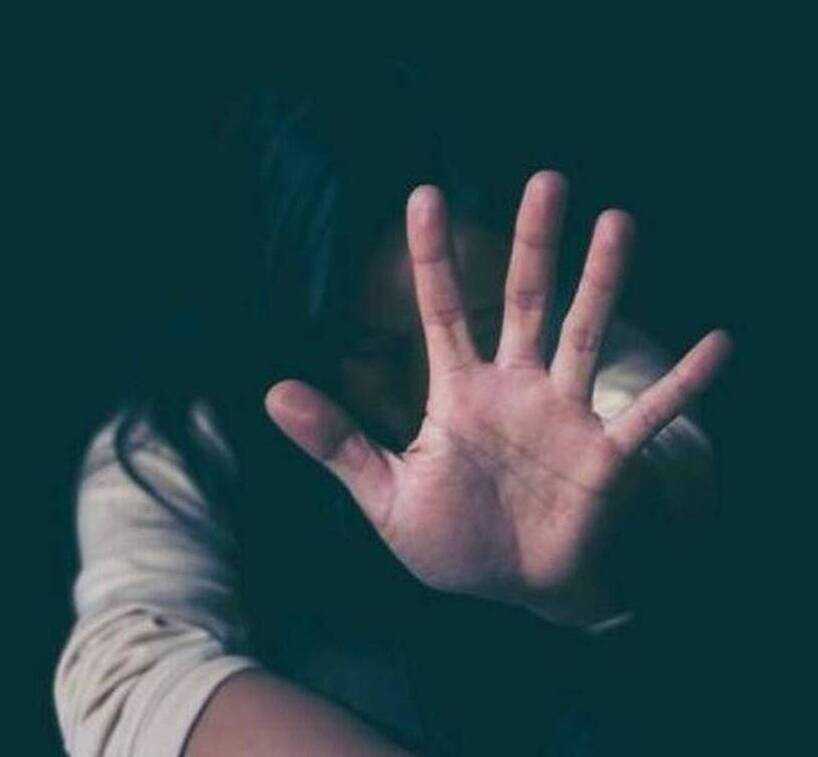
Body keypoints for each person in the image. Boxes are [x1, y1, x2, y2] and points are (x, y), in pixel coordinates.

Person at [52, 68, 732, 755]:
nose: (430, 390)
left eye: (479, 327)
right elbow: (130, 673)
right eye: (367, 349)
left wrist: (599, 544)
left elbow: (668, 462)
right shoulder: (182, 445)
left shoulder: (585, 363)